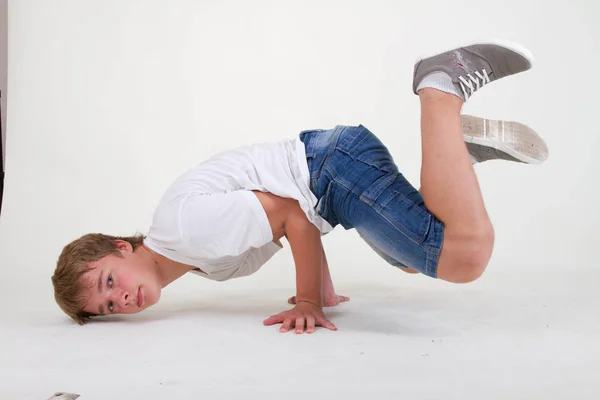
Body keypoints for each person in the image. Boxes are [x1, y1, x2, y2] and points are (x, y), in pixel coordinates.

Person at [51, 41, 548, 334]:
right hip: (328, 175)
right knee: (409, 257)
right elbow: (289, 226)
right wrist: (324, 287)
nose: (121, 301)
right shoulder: (196, 259)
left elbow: (291, 212)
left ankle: (440, 89)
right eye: (108, 308)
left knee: (463, 256)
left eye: (109, 283)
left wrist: (307, 299)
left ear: (121, 247)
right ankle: (455, 155)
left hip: (329, 171)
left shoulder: (183, 232)